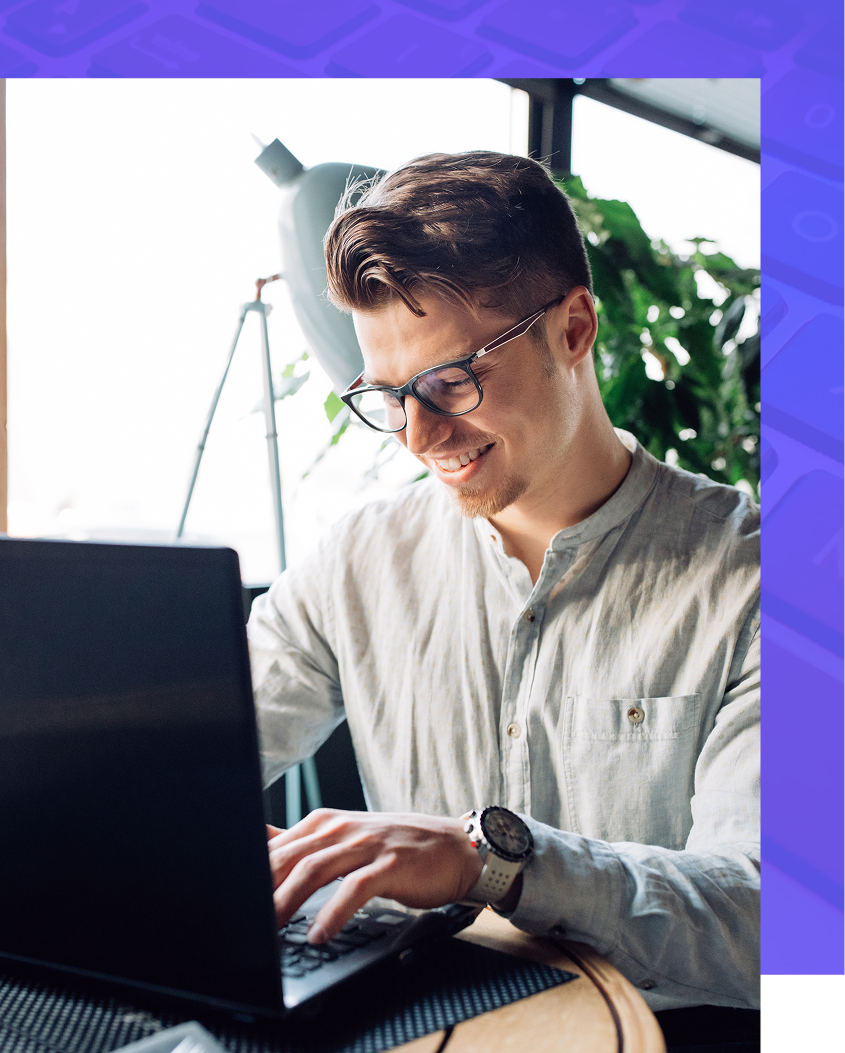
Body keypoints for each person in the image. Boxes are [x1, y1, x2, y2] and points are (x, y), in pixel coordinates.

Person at [246, 153, 760, 1028]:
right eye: (388, 396)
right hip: (409, 1027)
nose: (419, 434)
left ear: (574, 328)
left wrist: (491, 860)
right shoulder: (354, 562)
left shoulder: (757, 583)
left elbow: (765, 918)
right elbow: (191, 759)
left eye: (452, 381)